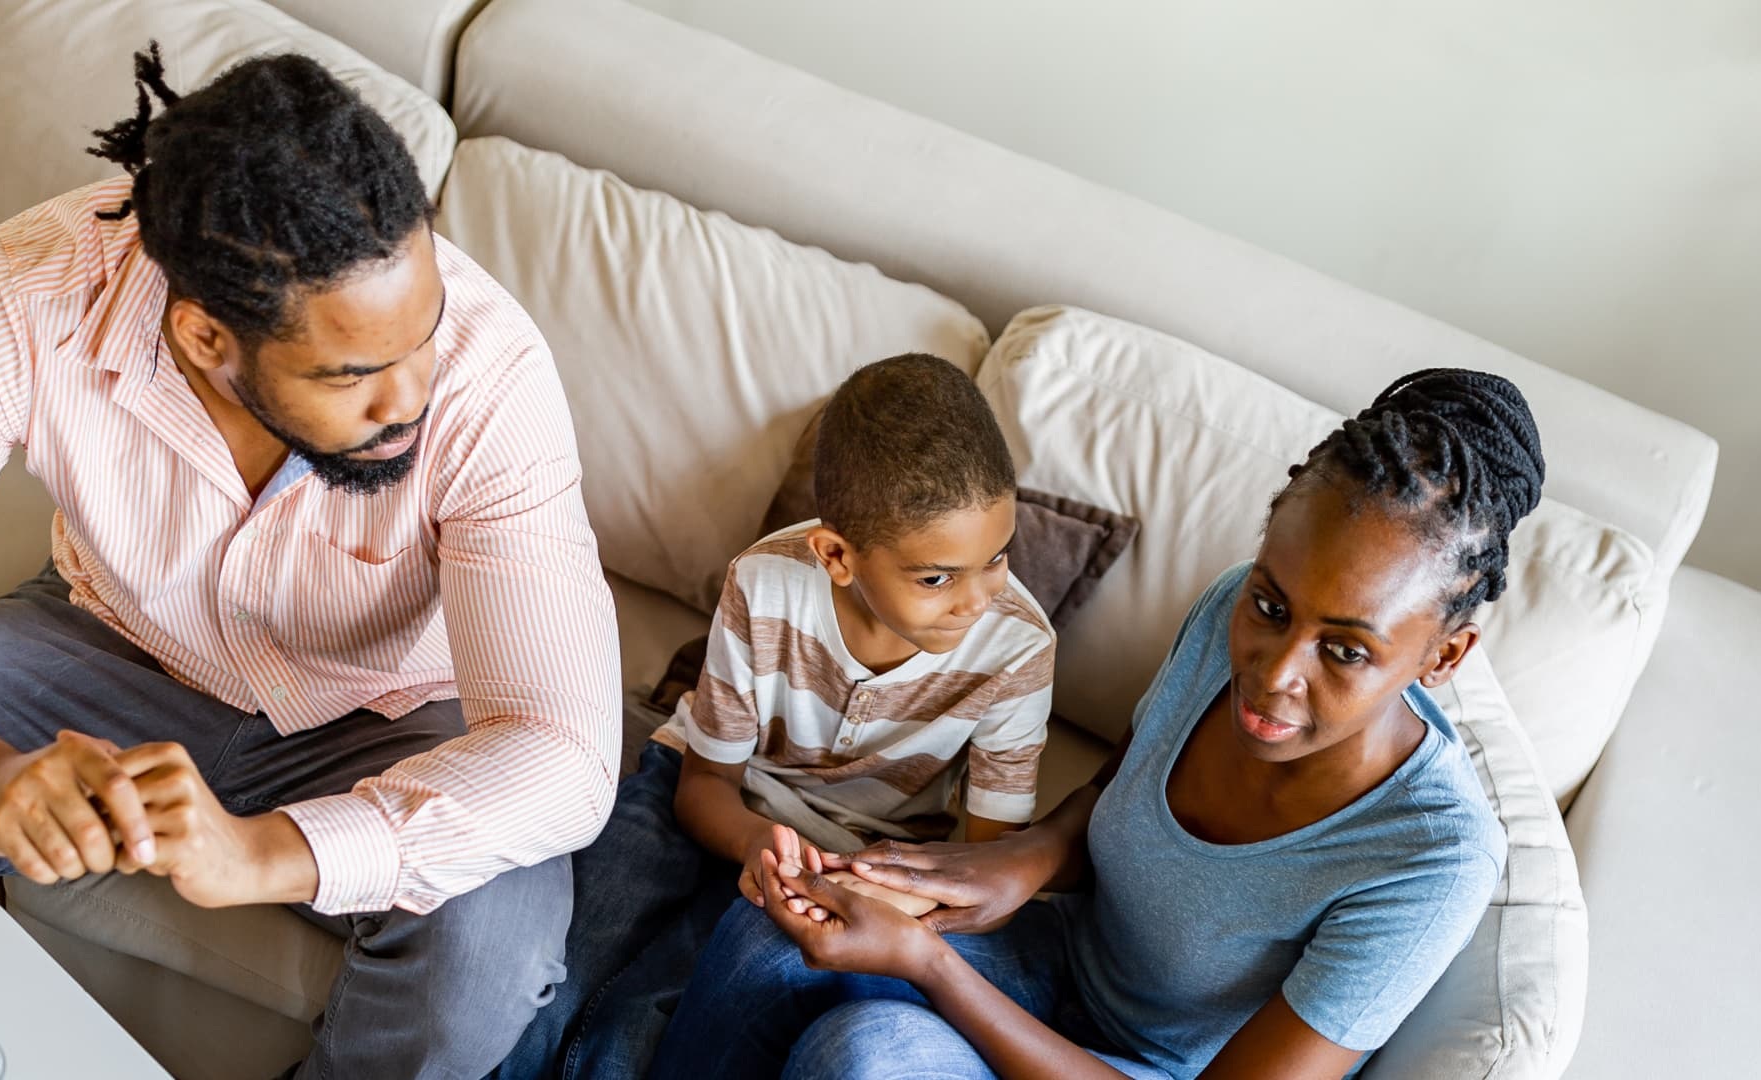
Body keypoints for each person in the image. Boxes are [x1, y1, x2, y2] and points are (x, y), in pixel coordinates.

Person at [0, 44, 621, 1079]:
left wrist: (266, 852)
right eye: (350, 374)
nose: (411, 398)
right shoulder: (25, 288)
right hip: (107, 644)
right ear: (207, 338)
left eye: (424, 338)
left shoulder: (493, 375)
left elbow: (564, 756)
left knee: (485, 966)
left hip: (390, 713)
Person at [649, 368, 1540, 1080]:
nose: (1274, 673)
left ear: (1444, 656)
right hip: (1056, 956)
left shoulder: (1432, 858)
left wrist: (929, 962)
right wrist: (1021, 859)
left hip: (1147, 1064)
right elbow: (1119, 786)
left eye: (1344, 652)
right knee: (780, 936)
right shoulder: (1229, 608)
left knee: (867, 1055)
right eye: (1271, 607)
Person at [498, 354, 1057, 1080]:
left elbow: (987, 874)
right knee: (560, 965)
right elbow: (704, 786)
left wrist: (870, 887)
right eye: (936, 578)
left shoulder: (1019, 647)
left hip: (861, 852)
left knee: (637, 1021)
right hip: (706, 795)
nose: (978, 599)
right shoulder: (764, 583)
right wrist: (756, 842)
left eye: (998, 557)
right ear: (837, 555)